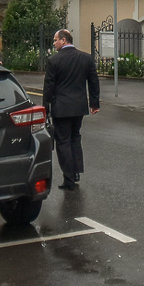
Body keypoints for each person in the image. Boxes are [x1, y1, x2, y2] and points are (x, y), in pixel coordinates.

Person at [43, 29, 100, 190]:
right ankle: (76, 172)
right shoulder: (85, 58)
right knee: (75, 138)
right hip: (79, 107)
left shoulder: (54, 61)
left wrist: (45, 108)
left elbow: (48, 87)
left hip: (61, 109)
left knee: (63, 142)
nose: (54, 43)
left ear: (63, 40)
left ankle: (68, 178)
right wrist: (94, 103)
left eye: (55, 40)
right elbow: (93, 81)